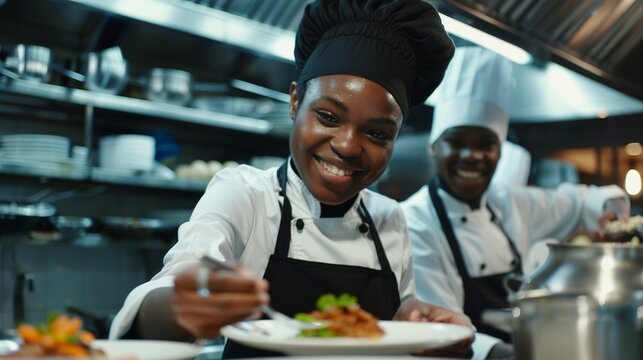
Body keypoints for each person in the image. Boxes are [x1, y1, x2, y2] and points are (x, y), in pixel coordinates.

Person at [110, 0, 474, 358]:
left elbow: (390, 330)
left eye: (377, 134)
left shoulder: (390, 218)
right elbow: (180, 276)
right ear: (295, 101)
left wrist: (415, 320)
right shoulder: (245, 194)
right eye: (329, 117)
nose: (347, 146)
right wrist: (182, 304)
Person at [401, 46, 630, 358]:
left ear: (499, 150)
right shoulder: (414, 221)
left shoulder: (511, 202)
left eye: (486, 145)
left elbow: (584, 202)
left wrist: (613, 213)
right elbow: (442, 329)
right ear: (434, 147)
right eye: (456, 141)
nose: (472, 156)